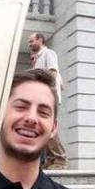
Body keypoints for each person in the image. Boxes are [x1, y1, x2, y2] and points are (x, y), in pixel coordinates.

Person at [27, 32, 67, 170]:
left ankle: (60, 159)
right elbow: (59, 79)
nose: (30, 44)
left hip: (48, 96)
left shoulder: (48, 53)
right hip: (44, 96)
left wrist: (49, 91)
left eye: (31, 41)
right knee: (44, 127)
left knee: (49, 127)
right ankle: (51, 159)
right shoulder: (39, 58)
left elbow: (53, 72)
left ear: (40, 40)